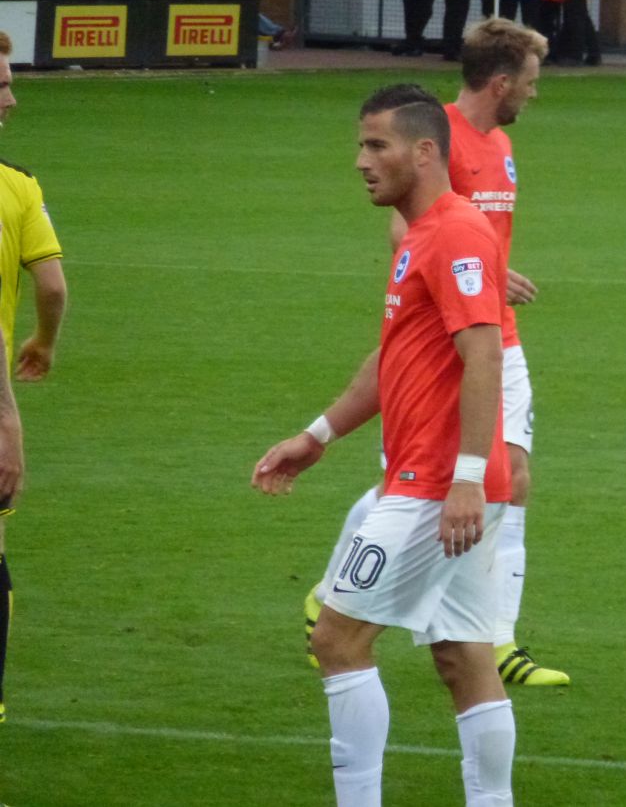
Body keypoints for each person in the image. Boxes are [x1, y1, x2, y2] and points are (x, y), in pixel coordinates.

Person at [252, 83, 515, 807]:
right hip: (445, 483)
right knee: (464, 657)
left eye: (377, 145)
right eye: (361, 145)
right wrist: (318, 435)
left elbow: (484, 354)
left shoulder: (455, 233)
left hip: (436, 488)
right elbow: (393, 361)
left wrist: (462, 478)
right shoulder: (419, 237)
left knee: (336, 640)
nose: (361, 161)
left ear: (424, 152)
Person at [306, 18, 570, 688]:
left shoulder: (501, 143)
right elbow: (412, 224)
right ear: (503, 81)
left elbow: (470, 232)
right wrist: (456, 270)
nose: (534, 96)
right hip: (452, 331)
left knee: (509, 476)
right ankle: (337, 585)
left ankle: (495, 635)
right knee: (424, 476)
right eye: (531, 83)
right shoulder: (434, 136)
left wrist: (486, 268)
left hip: (493, 327)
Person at [0, 29, 69, 725]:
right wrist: (43, 346)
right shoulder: (16, 188)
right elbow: (51, 287)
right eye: (2, 86)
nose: (13, 100)